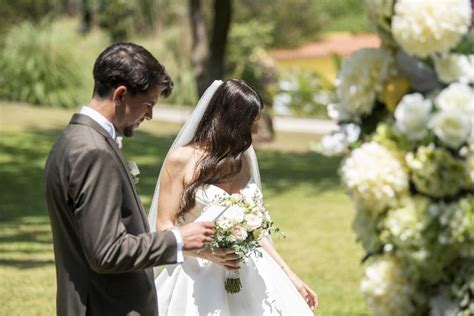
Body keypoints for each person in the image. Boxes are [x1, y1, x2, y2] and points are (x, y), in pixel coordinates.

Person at [44, 42, 214, 316]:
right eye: (148, 104)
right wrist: (178, 239)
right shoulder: (94, 152)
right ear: (121, 94)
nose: (149, 115)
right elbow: (107, 252)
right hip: (107, 307)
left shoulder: (71, 138)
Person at [148, 79, 318, 315]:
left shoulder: (242, 161)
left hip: (250, 270)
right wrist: (207, 252)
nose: (255, 130)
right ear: (230, 121)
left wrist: (290, 276)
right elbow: (163, 227)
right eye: (251, 123)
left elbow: (257, 232)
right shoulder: (180, 160)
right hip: (197, 277)